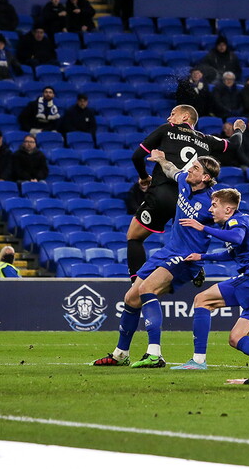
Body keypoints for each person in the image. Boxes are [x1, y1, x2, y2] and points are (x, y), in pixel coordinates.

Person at [93, 152, 220, 368]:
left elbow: (229, 224)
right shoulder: (184, 181)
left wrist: (205, 254)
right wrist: (161, 160)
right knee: (131, 298)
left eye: (196, 168)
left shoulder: (211, 202)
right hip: (169, 249)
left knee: (146, 290)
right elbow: (173, 170)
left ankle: (155, 354)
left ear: (206, 178)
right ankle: (120, 354)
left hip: (186, 257)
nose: (190, 169)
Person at [127, 106, 243, 279]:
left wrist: (144, 177)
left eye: (173, 114)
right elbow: (234, 145)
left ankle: (136, 287)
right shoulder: (206, 139)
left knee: (134, 237)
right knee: (183, 241)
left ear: (185, 117)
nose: (169, 118)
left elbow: (137, 156)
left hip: (162, 194)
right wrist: (239, 129)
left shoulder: (167, 130)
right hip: (189, 199)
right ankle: (194, 267)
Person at [175, 188, 249, 369]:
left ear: (228, 209)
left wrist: (202, 227)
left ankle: (198, 360)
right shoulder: (242, 221)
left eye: (214, 205)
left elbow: (237, 238)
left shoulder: (236, 220)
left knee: (201, 300)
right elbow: (231, 253)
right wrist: (201, 257)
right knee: (236, 338)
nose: (210, 209)